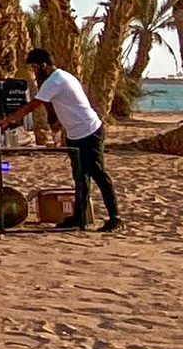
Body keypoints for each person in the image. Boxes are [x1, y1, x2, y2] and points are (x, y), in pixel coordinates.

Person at [27, 46, 120, 231]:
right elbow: (52, 105)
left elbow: (34, 104)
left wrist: (7, 120)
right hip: (74, 134)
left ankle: (115, 217)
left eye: (35, 68)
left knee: (98, 173)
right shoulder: (54, 80)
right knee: (80, 177)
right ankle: (80, 217)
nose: (34, 72)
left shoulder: (57, 80)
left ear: (44, 65)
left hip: (89, 131)